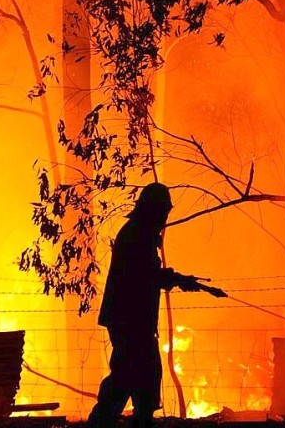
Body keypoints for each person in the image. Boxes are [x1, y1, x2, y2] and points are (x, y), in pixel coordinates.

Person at [86, 182, 203, 428]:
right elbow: (145, 274)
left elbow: (147, 274)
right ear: (154, 210)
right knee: (128, 376)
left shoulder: (138, 232)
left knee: (143, 375)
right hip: (129, 320)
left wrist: (177, 279)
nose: (164, 217)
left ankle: (138, 419)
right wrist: (178, 280)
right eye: (163, 212)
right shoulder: (138, 234)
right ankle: (103, 422)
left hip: (132, 319)